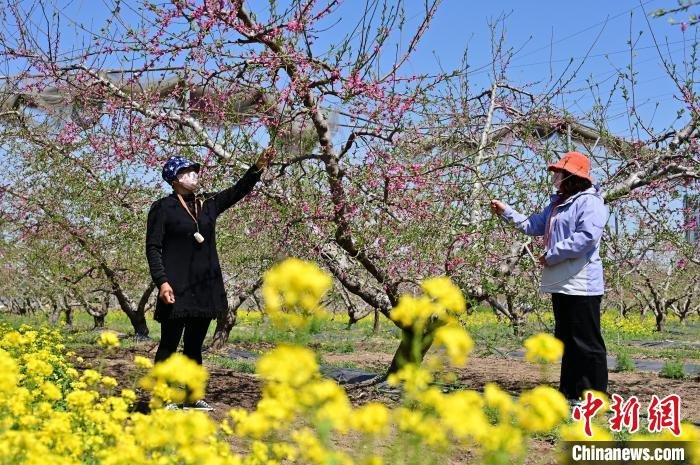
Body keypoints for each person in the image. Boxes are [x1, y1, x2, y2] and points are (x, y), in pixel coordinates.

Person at [146, 148, 275, 410]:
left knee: (194, 346)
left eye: (195, 171)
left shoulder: (207, 204)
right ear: (174, 178)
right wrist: (162, 281)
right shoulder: (163, 208)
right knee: (169, 345)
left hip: (205, 287)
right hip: (176, 287)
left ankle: (193, 397)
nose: (194, 175)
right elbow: (153, 247)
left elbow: (238, 190)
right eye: (186, 171)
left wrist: (258, 166)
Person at [489, 151, 609, 403]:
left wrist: (552, 254)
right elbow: (533, 225)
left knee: (586, 342)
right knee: (566, 339)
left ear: (572, 176)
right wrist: (506, 211)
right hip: (562, 281)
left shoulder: (590, 203)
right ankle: (570, 392)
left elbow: (586, 238)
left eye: (559, 173)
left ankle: (594, 396)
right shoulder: (557, 204)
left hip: (582, 282)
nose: (555, 177)